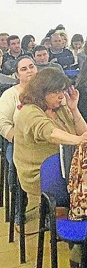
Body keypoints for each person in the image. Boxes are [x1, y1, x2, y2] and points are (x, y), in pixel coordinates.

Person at [13, 68, 87, 233]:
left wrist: (74, 108)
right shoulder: (29, 111)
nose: (61, 95)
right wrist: (79, 141)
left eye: (62, 90)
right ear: (41, 92)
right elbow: (50, 133)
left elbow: (82, 131)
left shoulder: (60, 107)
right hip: (41, 172)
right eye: (55, 91)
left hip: (66, 165)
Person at [0, 55, 37, 226]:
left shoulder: (47, 92)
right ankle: (18, 210)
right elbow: (3, 124)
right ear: (16, 74)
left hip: (44, 143)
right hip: (17, 143)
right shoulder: (10, 95)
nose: (29, 71)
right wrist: (20, 140)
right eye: (24, 69)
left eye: (32, 66)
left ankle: (51, 210)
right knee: (16, 166)